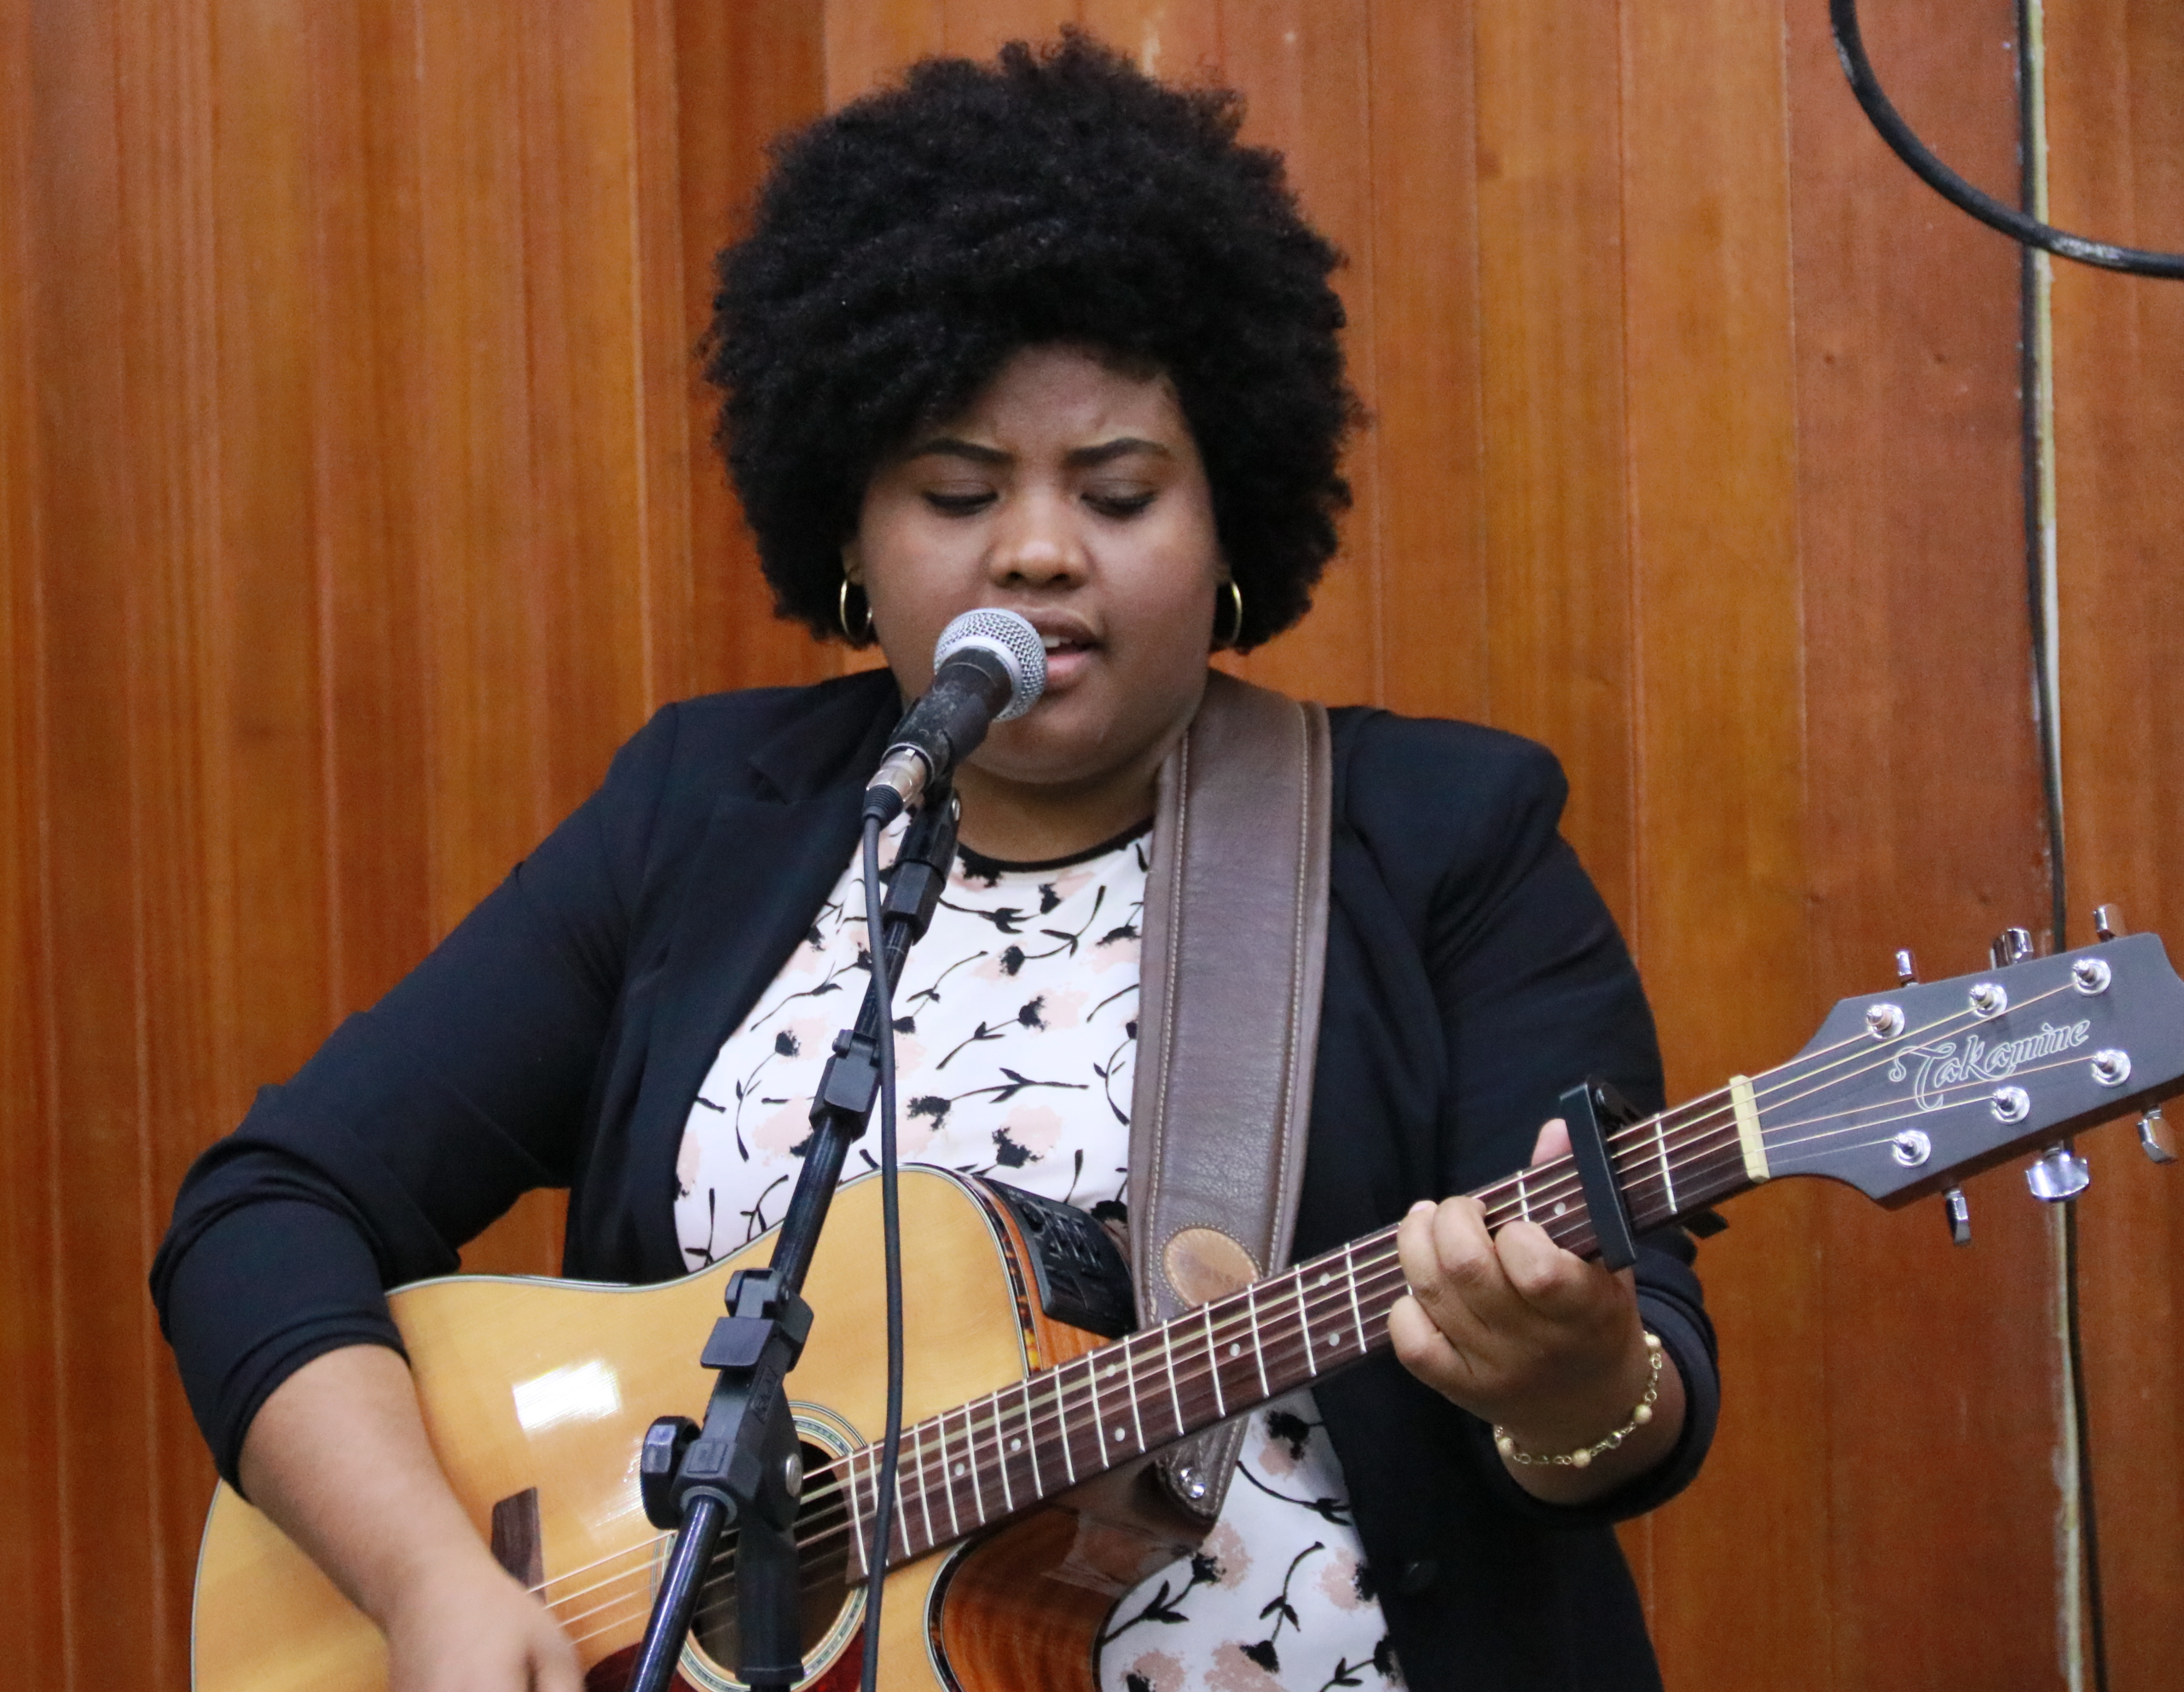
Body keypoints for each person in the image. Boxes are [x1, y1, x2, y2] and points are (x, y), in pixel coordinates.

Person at [153, 32, 1718, 1692]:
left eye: (1119, 491)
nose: (1037, 548)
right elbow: (271, 1207)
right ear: (850, 530)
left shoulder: (1442, 837)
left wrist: (1570, 1377)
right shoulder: (706, 811)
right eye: (959, 489)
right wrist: (425, 1580)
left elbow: (1638, 1395)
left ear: (1228, 523)